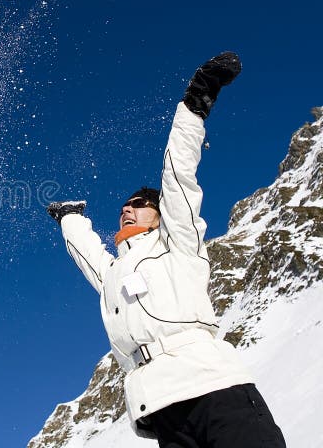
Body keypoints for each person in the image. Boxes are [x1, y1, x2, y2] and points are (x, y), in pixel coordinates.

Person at [47, 52, 286, 447]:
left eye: (139, 204)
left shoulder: (179, 243)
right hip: (163, 410)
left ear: (159, 216)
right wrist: (70, 217)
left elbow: (178, 176)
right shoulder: (114, 275)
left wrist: (196, 101)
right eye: (124, 206)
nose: (127, 208)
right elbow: (88, 254)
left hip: (215, 389)